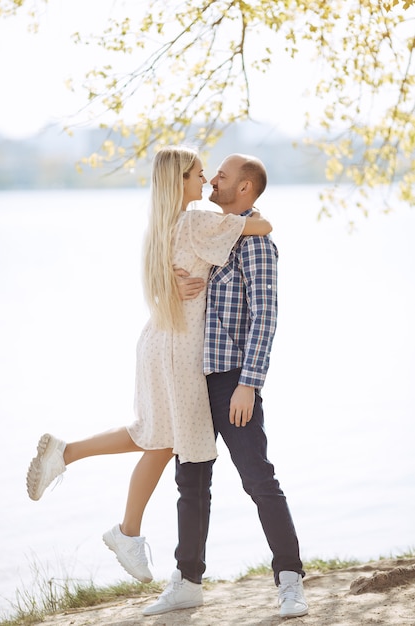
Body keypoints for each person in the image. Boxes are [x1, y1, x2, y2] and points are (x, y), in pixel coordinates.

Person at [26, 146, 272, 584]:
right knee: (160, 439)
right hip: (178, 346)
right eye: (200, 174)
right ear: (181, 181)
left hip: (161, 339)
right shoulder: (198, 221)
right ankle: (121, 525)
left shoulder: (162, 227)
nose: (207, 182)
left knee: (155, 436)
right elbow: (263, 225)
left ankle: (78, 467)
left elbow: (166, 282)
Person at [142, 154, 308, 619]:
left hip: (232, 380)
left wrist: (248, 385)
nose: (214, 178)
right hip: (192, 375)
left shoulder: (255, 242)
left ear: (245, 189)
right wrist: (170, 283)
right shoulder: (208, 228)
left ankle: (291, 580)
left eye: (224, 175)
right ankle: (188, 581)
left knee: (258, 478)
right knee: (191, 481)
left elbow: (265, 317)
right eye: (211, 173)